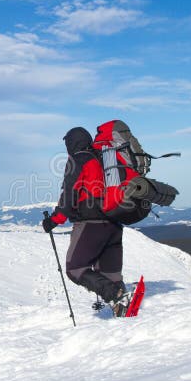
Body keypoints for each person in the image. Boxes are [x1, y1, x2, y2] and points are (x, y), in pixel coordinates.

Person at [42, 126, 133, 316]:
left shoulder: (79, 159)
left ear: (71, 143)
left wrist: (54, 220)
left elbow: (69, 194)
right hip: (114, 222)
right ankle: (123, 306)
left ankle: (115, 295)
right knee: (110, 273)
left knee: (75, 268)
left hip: (92, 224)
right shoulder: (105, 158)